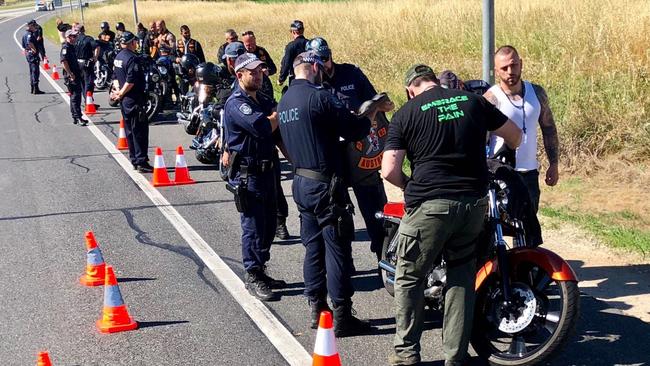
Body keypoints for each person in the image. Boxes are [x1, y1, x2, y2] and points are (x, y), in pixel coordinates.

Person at [381, 64, 522, 366]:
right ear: (435, 82)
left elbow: (389, 170)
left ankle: (407, 354)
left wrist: (409, 186)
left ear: (410, 89)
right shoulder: (472, 101)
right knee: (461, 277)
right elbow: (514, 135)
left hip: (430, 206)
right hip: (472, 204)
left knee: (409, 277)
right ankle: (455, 358)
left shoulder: (405, 113)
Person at [277, 51, 373, 336]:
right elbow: (354, 129)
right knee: (337, 246)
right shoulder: (319, 97)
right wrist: (369, 115)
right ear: (315, 67)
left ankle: (316, 307)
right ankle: (343, 313)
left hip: (301, 182)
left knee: (313, 247)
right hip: (326, 184)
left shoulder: (285, 102)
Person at [306, 36, 393, 260]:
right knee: (339, 212)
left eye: (325, 58)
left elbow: (378, 100)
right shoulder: (311, 84)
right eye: (317, 61)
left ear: (330, 55)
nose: (323, 64)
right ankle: (344, 262)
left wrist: (374, 108)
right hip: (333, 154)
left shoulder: (351, 73)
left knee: (375, 207)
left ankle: (383, 256)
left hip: (362, 150)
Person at [223, 53, 286, 301]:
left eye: (260, 71)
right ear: (239, 75)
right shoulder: (237, 103)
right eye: (253, 72)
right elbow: (262, 127)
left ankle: (261, 267)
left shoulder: (260, 99)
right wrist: (275, 116)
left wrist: (273, 115)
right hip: (249, 175)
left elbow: (274, 114)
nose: (258, 75)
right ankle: (252, 274)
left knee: (270, 223)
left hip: (268, 170)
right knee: (253, 227)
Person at [485, 45, 560, 213]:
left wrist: (554, 164)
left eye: (514, 65)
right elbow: (480, 138)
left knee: (528, 232)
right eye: (504, 68)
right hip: (501, 172)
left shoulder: (537, 93)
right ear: (496, 71)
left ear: (521, 64)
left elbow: (549, 129)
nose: (510, 71)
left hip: (530, 173)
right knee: (497, 229)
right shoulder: (491, 99)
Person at [111, 32, 153, 173]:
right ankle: (141, 161)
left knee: (129, 130)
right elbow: (131, 80)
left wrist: (118, 92)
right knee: (139, 130)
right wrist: (122, 92)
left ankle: (134, 159)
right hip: (134, 98)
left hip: (124, 100)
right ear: (132, 42)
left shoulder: (118, 57)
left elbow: (115, 76)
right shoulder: (132, 59)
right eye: (135, 41)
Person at [60, 29, 89, 125]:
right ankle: (78, 116)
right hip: (71, 75)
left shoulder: (72, 47)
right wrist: (70, 74)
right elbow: (64, 62)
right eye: (74, 36)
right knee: (76, 96)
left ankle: (75, 116)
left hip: (76, 73)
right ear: (68, 37)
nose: (76, 38)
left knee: (74, 95)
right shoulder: (66, 48)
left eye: (76, 36)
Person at [277, 20, 308, 87]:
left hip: (295, 79)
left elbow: (286, 64)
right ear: (303, 30)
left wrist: (281, 79)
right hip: (310, 78)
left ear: (293, 32)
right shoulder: (310, 44)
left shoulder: (291, 46)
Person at [74, 25, 100, 98]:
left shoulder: (74, 39)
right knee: (89, 82)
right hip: (86, 64)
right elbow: (97, 47)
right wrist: (95, 58)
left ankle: (87, 100)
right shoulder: (88, 39)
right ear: (83, 30)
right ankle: (88, 100)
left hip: (77, 63)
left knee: (82, 82)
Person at [22, 20, 44, 95]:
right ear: (30, 26)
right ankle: (35, 88)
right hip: (32, 55)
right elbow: (29, 42)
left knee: (32, 71)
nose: (35, 27)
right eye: (34, 26)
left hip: (28, 54)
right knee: (35, 71)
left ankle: (33, 88)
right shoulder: (29, 35)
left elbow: (24, 45)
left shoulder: (25, 34)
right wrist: (33, 49)